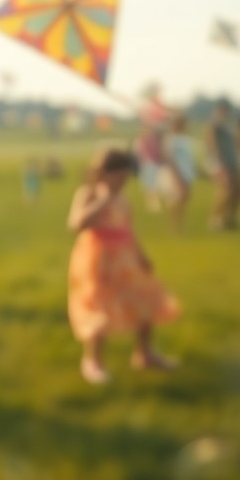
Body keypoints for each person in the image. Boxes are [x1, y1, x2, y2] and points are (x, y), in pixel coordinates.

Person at [67, 147, 180, 385]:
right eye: (119, 177)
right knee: (99, 307)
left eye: (126, 178)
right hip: (97, 261)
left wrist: (141, 255)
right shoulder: (89, 193)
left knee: (145, 300)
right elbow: (77, 223)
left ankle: (145, 354)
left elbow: (128, 231)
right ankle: (93, 361)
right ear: (104, 173)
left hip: (125, 259)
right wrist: (103, 200)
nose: (122, 183)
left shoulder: (123, 198)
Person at [204, 105, 240, 231]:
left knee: (237, 191)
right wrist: (219, 161)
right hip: (221, 162)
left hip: (231, 161)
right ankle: (214, 219)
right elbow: (211, 141)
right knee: (225, 190)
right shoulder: (215, 124)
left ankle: (229, 218)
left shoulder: (228, 125)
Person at [165, 115, 197, 234]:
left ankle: (179, 224)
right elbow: (170, 158)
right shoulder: (172, 139)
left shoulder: (185, 139)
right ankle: (174, 225)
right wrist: (176, 174)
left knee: (185, 197)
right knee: (180, 197)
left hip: (186, 171)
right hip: (178, 172)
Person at [134, 125, 167, 213]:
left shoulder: (154, 140)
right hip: (148, 164)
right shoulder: (143, 140)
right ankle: (151, 202)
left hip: (154, 163)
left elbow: (159, 152)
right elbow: (139, 152)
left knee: (153, 184)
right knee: (150, 184)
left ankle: (153, 202)